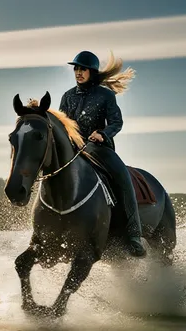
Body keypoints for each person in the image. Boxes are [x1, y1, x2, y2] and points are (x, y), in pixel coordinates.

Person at [59, 50, 146, 257]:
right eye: (76, 69)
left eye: (83, 69)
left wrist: (103, 134)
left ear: (92, 72)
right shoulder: (67, 96)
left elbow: (117, 122)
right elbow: (62, 125)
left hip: (100, 149)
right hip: (73, 151)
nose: (78, 72)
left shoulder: (106, 95)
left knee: (123, 178)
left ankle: (134, 234)